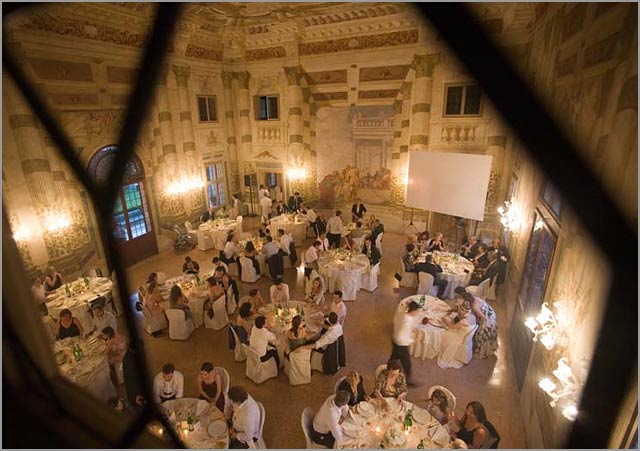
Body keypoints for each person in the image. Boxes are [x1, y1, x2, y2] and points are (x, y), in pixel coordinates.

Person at [454, 287, 499, 358]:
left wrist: (479, 324)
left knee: (483, 334)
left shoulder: (474, 306)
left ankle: (484, 352)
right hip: (487, 313)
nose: (457, 299)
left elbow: (483, 317)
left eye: (459, 297)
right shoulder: (470, 298)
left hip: (488, 318)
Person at [438, 297, 477, 369]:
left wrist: (444, 320)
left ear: (463, 310)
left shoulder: (464, 321)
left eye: (461, 309)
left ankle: (437, 348)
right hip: (463, 334)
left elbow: (452, 326)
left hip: (459, 336)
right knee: (447, 325)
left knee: (443, 332)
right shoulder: (472, 316)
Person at [390, 300, 421, 385]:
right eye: (417, 311)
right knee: (407, 363)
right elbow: (401, 337)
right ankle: (409, 380)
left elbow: (395, 321)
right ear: (413, 311)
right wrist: (413, 340)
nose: (417, 313)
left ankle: (389, 369)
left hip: (394, 340)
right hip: (401, 345)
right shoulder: (406, 323)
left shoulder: (403, 314)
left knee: (394, 357)